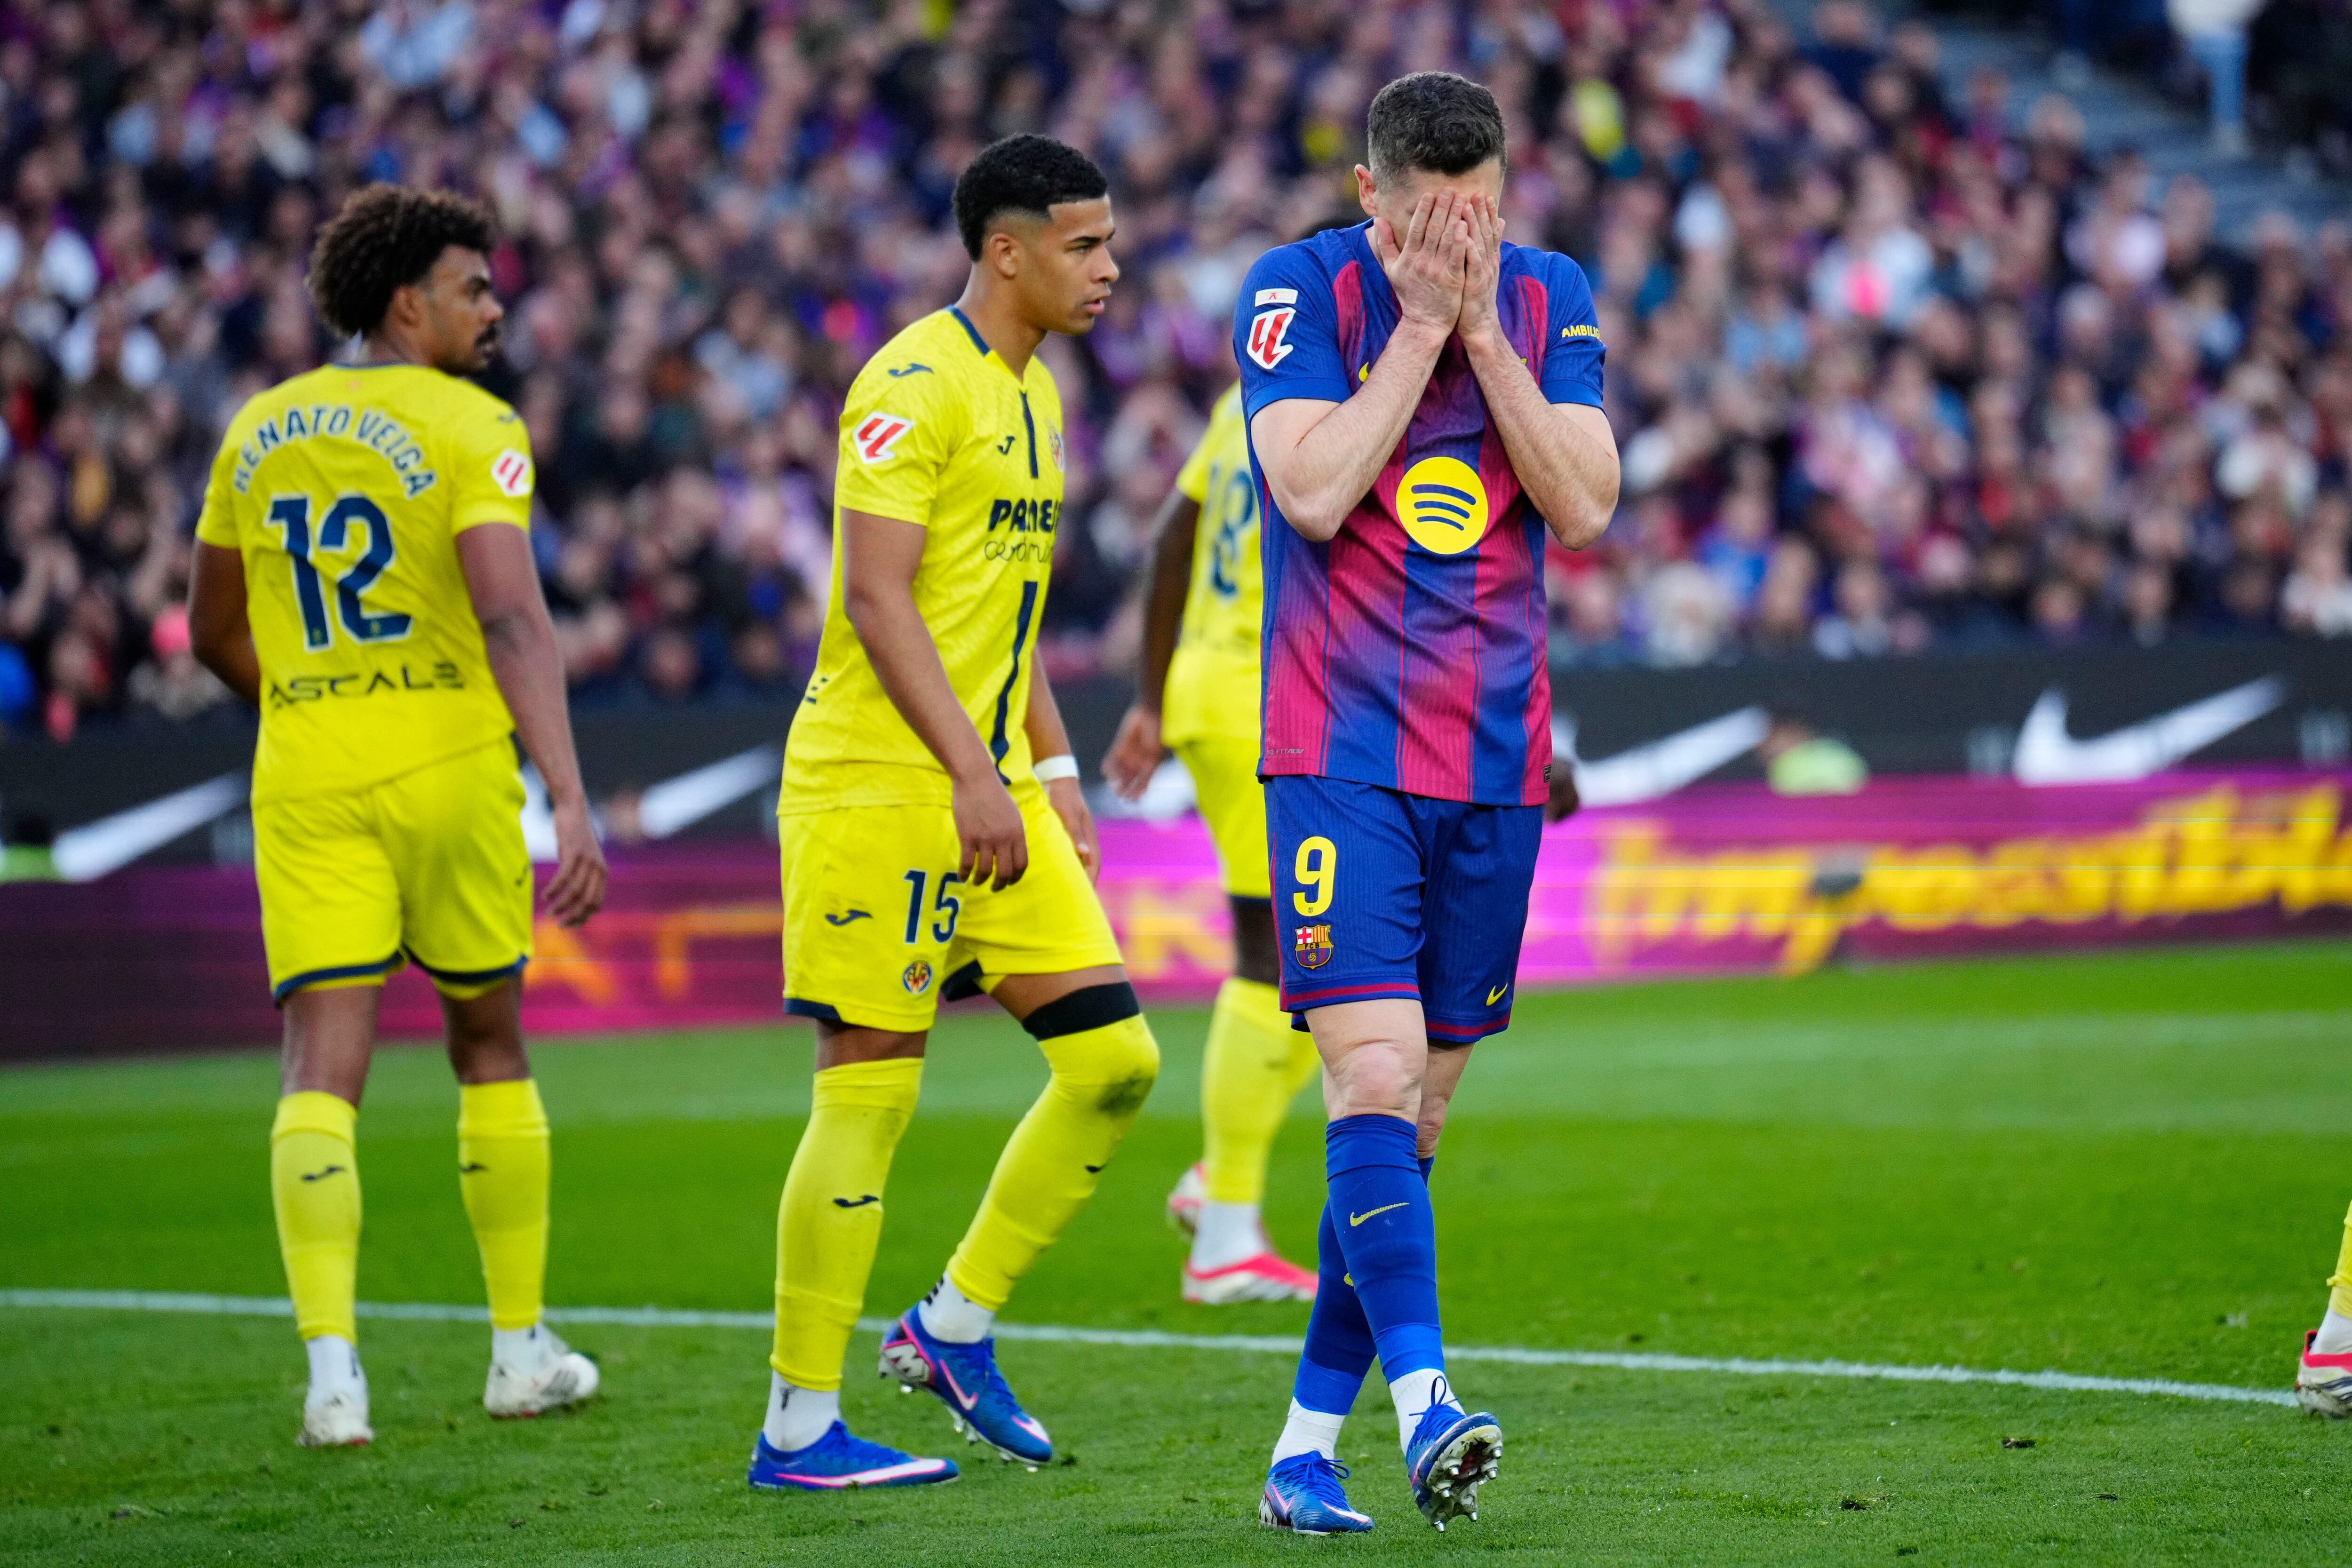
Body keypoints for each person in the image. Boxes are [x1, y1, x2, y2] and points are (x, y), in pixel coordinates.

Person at [1235, 72, 1618, 1533]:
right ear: (1370, 200)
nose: (1465, 241)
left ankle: (1299, 1454)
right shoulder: (1296, 292)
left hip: (1495, 761)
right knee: (1375, 1078)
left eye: (1486, 213)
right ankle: (1427, 1400)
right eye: (1430, 220)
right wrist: (1413, 326)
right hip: (1335, 744)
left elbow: (1584, 506)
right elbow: (1315, 491)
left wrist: (1479, 332)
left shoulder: (1549, 293)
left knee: (1412, 1120)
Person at [750, 134, 1157, 1493]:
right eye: (1087, 243)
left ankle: (952, 1325)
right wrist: (978, 777)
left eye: (1108, 241)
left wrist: (1048, 776)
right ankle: (800, 1424)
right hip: (879, 782)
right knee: (869, 1089)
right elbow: (877, 598)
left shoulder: (1036, 397)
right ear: (1008, 249)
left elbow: (1003, 616)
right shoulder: (911, 382)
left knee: (1115, 1062)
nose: (1110, 265)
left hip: (991, 792)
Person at [186, 185, 609, 1449]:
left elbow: (214, 630)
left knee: (323, 1064)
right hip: (450, 763)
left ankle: (333, 1380)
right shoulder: (473, 424)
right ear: (407, 298)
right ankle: (519, 1350)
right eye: (475, 287)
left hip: (309, 774)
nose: (495, 307)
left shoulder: (256, 429)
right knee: (488, 1042)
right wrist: (571, 793)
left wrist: (317, 702)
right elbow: (510, 614)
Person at [1102, 378, 1321, 1306]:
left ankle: (1218, 1181)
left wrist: (1156, 698)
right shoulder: (1337, 383)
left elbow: (1174, 537)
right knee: (1281, 958)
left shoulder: (1247, 395)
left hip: (1226, 686)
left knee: (1338, 956)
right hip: (1261, 693)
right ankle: (1225, 1231)